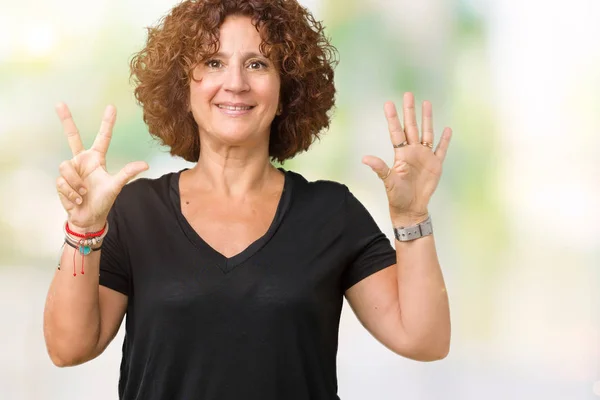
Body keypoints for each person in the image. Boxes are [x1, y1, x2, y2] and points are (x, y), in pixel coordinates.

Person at [43, 0, 452, 399]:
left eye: (257, 64)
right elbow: (69, 348)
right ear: (183, 86)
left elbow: (424, 340)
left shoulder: (332, 213)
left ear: (287, 87)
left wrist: (411, 216)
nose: (235, 83)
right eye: (213, 63)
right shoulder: (136, 212)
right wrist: (82, 227)